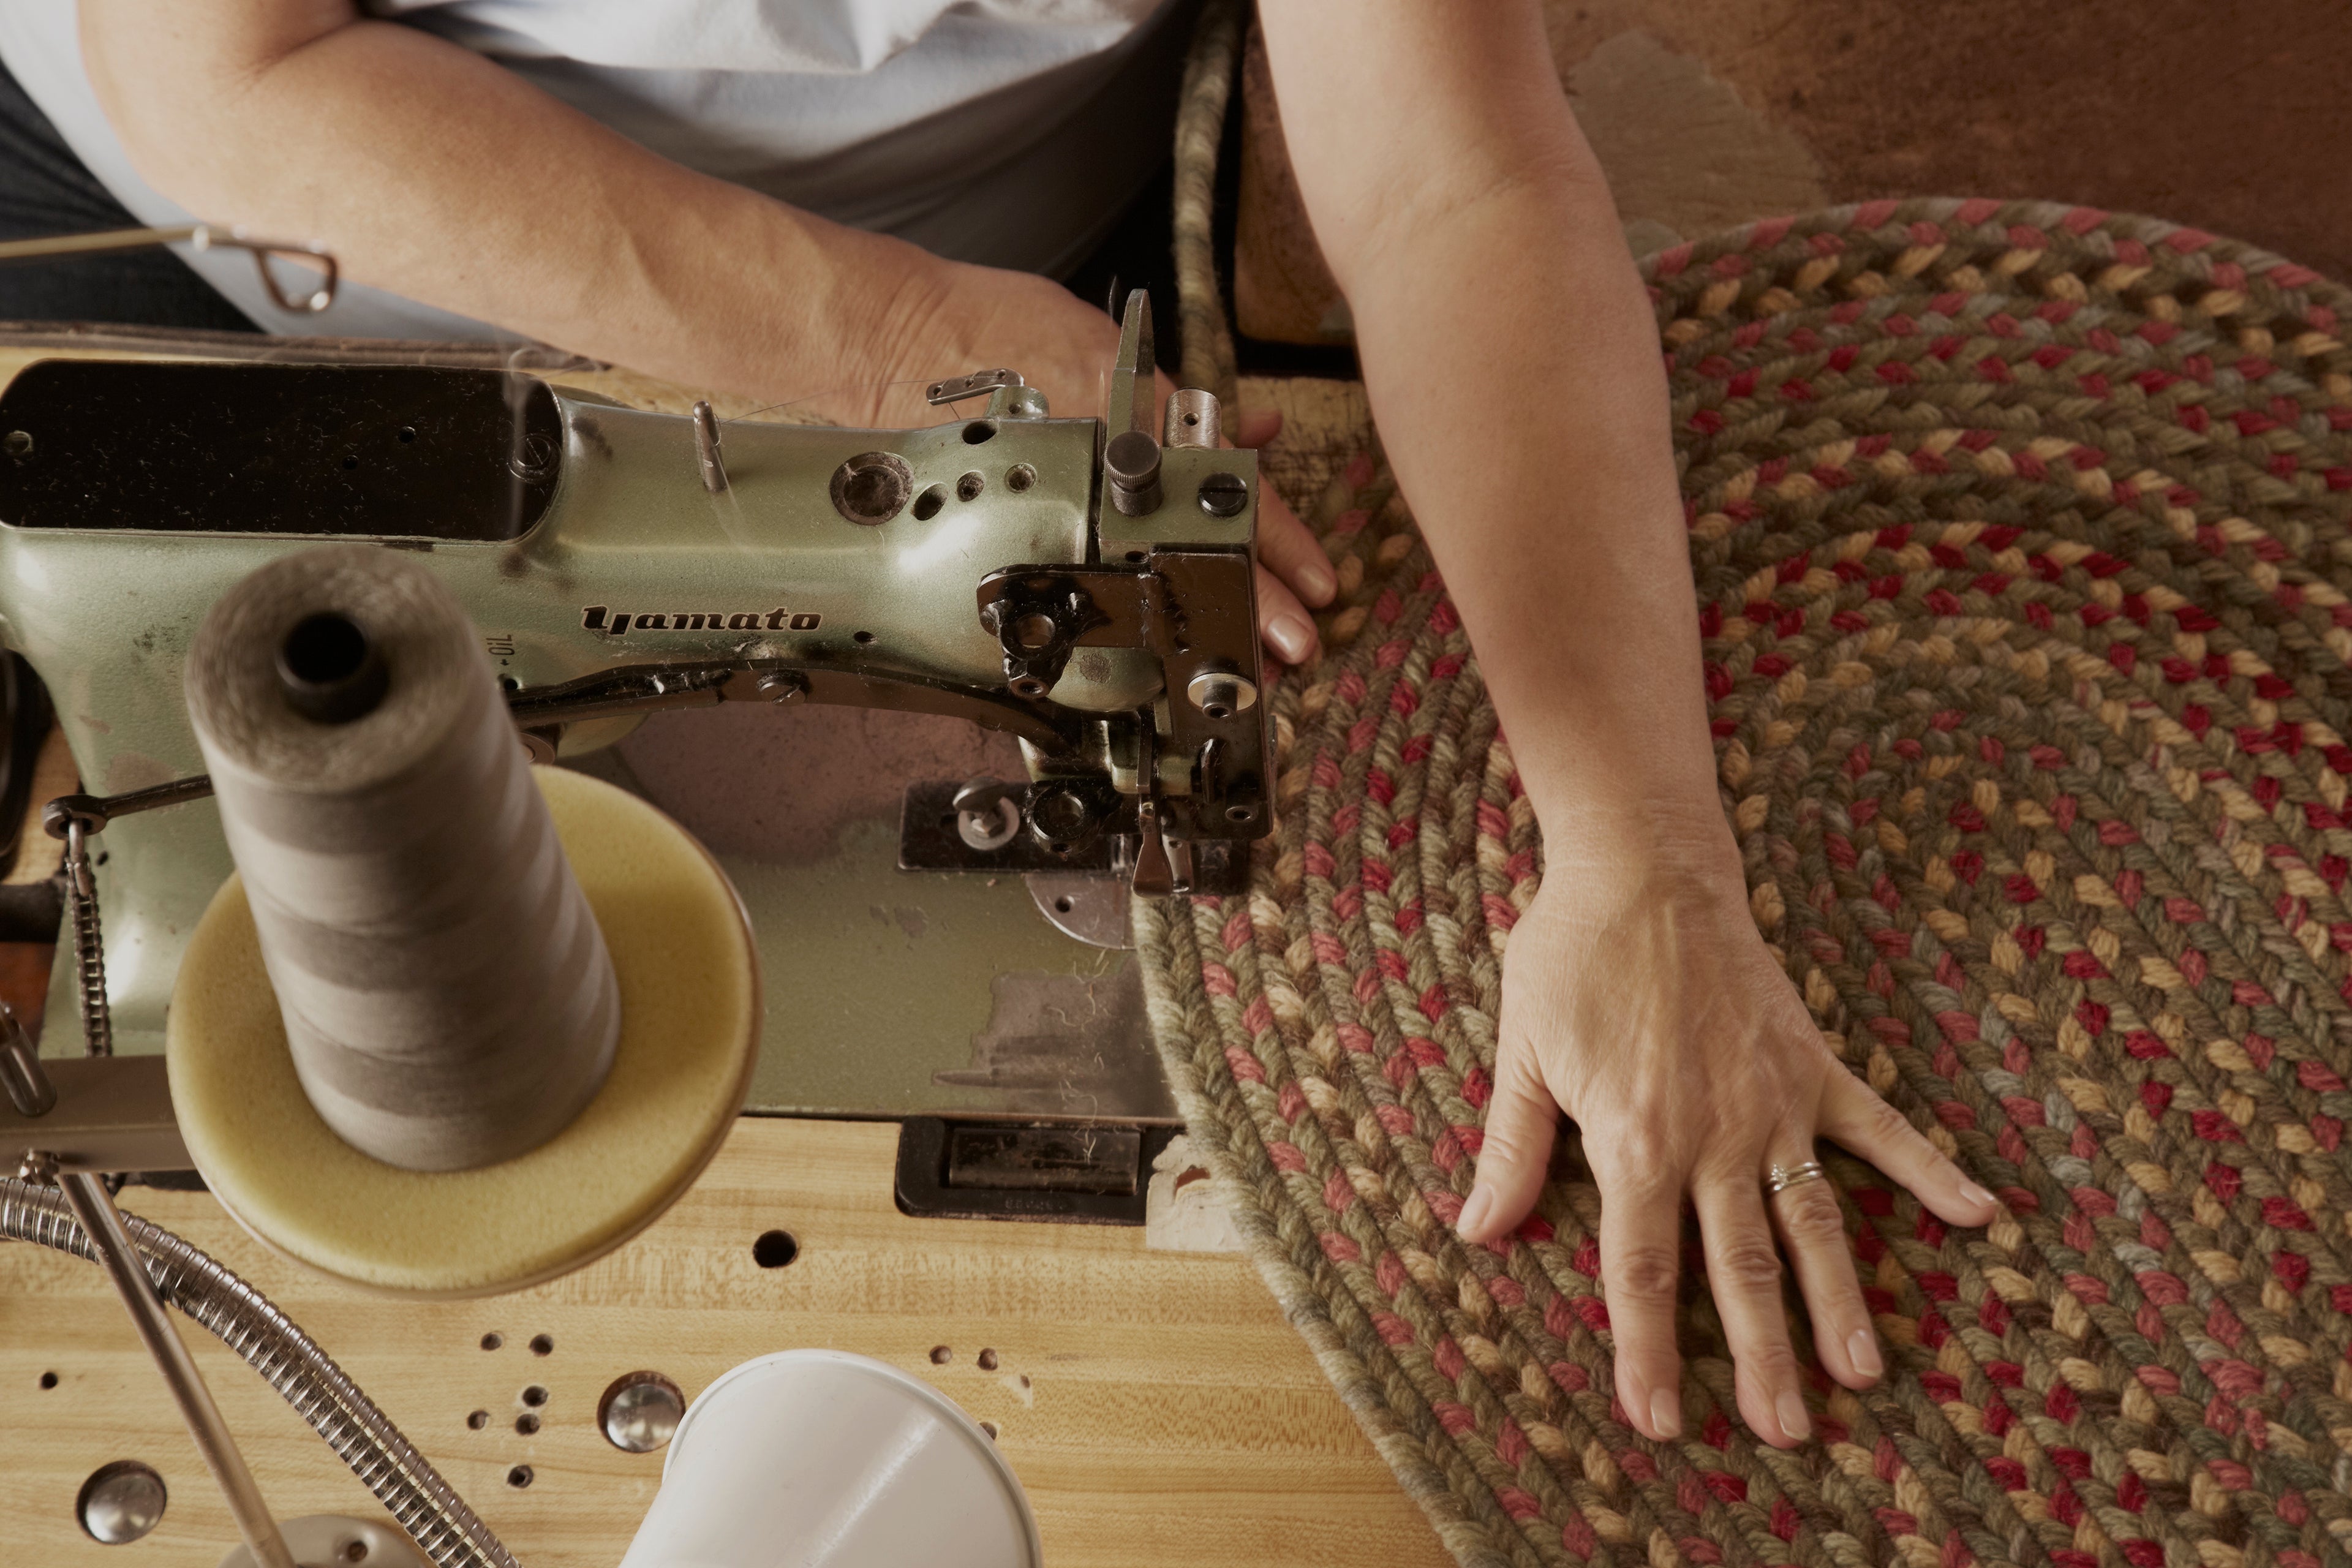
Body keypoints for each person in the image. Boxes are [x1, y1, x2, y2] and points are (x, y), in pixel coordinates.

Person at [9, 0, 2001, 1449]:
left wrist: (1642, 850)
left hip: (993, 237)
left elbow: (1454, 174)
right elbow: (220, 73)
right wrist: (870, 338)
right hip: (233, 221)